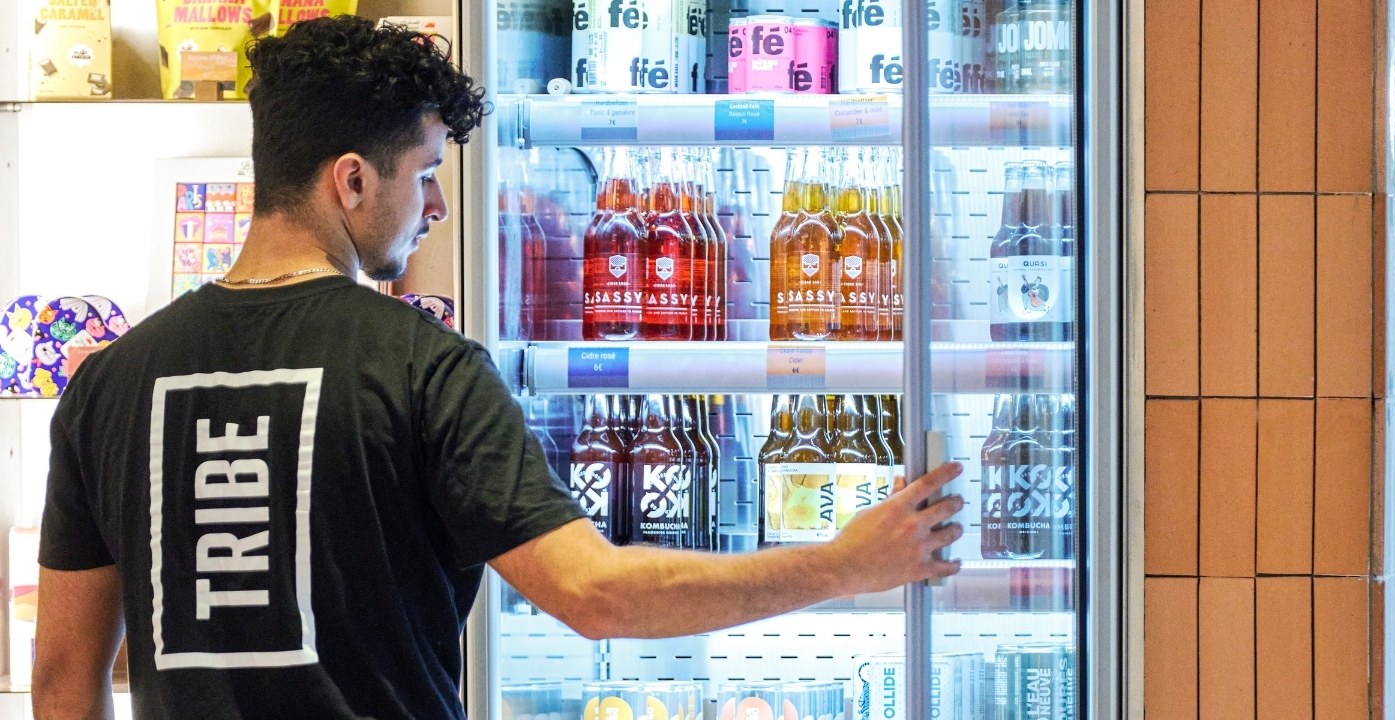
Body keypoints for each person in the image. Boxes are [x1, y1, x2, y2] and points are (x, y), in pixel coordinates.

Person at [31, 15, 965, 720]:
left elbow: (65, 675)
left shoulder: (110, 383)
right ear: (351, 180)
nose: (436, 202)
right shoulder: (421, 368)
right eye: (425, 170)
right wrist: (842, 564)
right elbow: (593, 594)